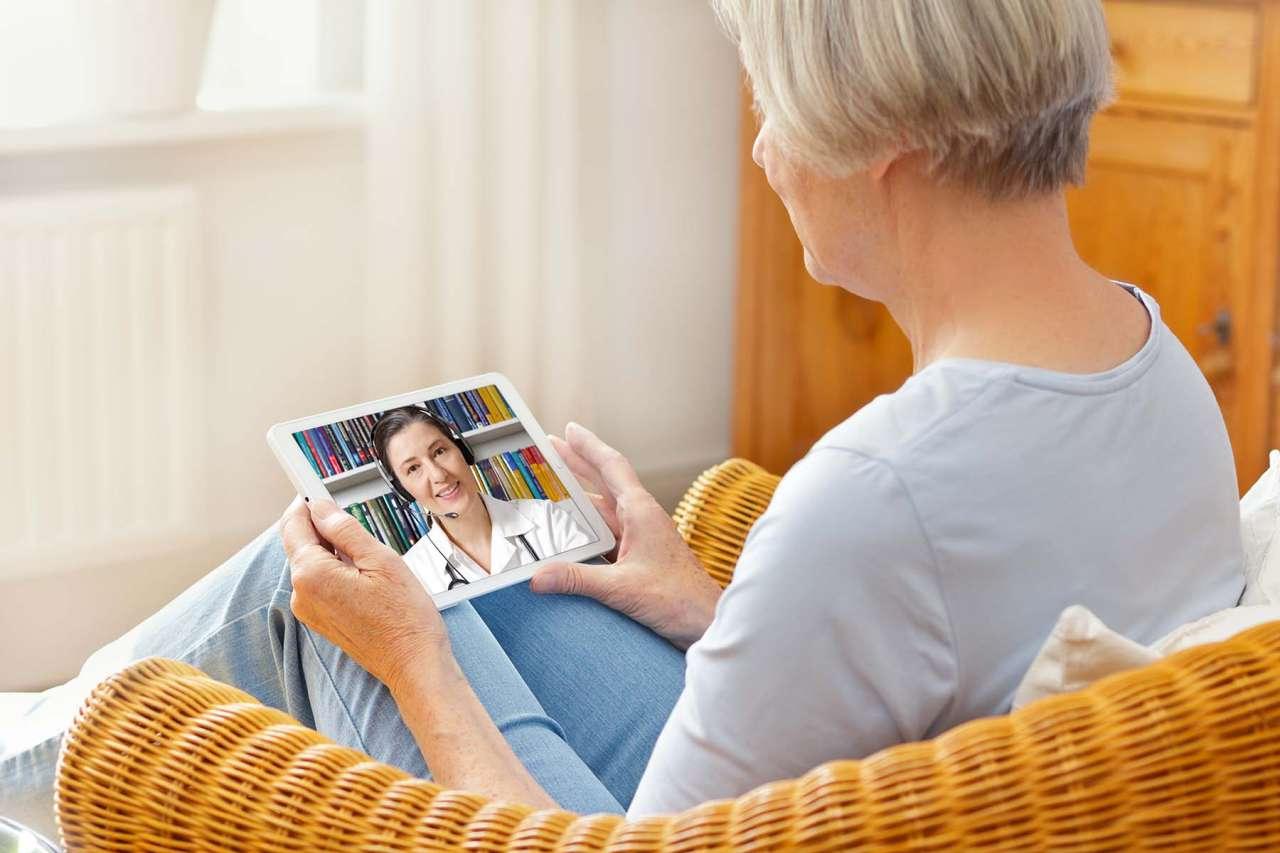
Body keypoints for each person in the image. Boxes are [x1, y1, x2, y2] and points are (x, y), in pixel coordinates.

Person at [0, 0, 1247, 833]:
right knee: (453, 568)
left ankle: (25, 767)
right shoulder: (1151, 361)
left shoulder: (876, 491)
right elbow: (954, 665)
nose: (762, 155)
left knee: (321, 590)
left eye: (771, 105)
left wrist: (412, 665)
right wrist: (712, 610)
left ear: (888, 149)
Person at [371, 405, 592, 594]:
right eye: (413, 468)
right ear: (402, 489)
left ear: (463, 450)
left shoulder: (546, 519)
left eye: (439, 452)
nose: (439, 475)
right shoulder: (412, 575)